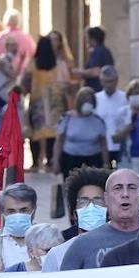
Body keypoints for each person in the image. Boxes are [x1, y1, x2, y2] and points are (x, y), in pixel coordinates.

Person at [56, 168, 139, 271]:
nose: (125, 194)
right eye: (117, 188)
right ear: (107, 198)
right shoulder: (80, 245)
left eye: (132, 188)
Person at [52, 87, 109, 219]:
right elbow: (59, 141)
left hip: (93, 159)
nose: (87, 102)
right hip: (70, 159)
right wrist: (55, 161)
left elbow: (103, 144)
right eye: (84, 100)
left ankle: (95, 216)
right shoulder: (67, 118)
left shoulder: (97, 120)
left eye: (90, 100)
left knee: (93, 189)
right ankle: (74, 218)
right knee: (72, 190)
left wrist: (106, 164)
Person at [28, 35, 71, 172]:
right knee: (53, 132)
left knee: (36, 132)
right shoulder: (58, 64)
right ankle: (51, 160)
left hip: (37, 103)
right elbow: (65, 84)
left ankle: (35, 161)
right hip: (55, 103)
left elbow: (25, 82)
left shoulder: (33, 65)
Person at [0, 183, 37, 278]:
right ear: (3, 213)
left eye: (24, 210)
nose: (18, 215)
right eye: (11, 211)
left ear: (34, 209)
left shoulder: (46, 237)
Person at [94, 67, 128, 167]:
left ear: (116, 80)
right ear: (101, 81)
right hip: (100, 147)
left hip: (120, 146)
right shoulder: (96, 99)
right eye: (105, 81)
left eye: (111, 81)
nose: (108, 85)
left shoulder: (125, 98)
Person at [73, 26, 114, 92]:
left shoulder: (98, 52)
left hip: (96, 89)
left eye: (87, 38)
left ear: (92, 39)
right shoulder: (104, 51)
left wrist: (80, 72)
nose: (86, 40)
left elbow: (96, 72)